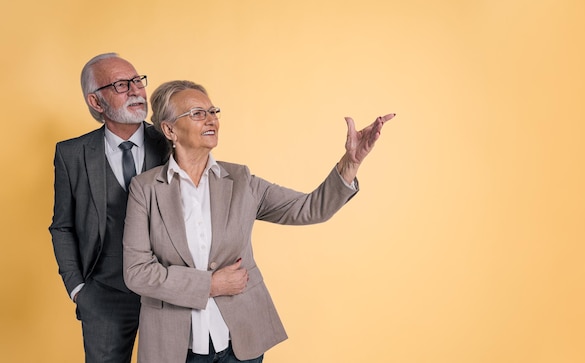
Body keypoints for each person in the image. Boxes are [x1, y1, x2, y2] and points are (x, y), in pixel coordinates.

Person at [122, 79, 395, 363]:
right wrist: (210, 285)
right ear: (169, 129)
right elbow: (137, 272)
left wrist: (350, 163)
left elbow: (309, 208)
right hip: (174, 347)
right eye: (197, 113)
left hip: (241, 343)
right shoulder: (145, 189)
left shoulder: (241, 181)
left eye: (213, 111)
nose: (211, 119)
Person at [49, 53, 169, 363]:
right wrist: (78, 288)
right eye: (120, 85)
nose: (136, 90)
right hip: (103, 295)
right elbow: (62, 226)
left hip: (168, 291)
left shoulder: (172, 144)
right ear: (96, 102)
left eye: (137, 81)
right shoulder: (71, 154)